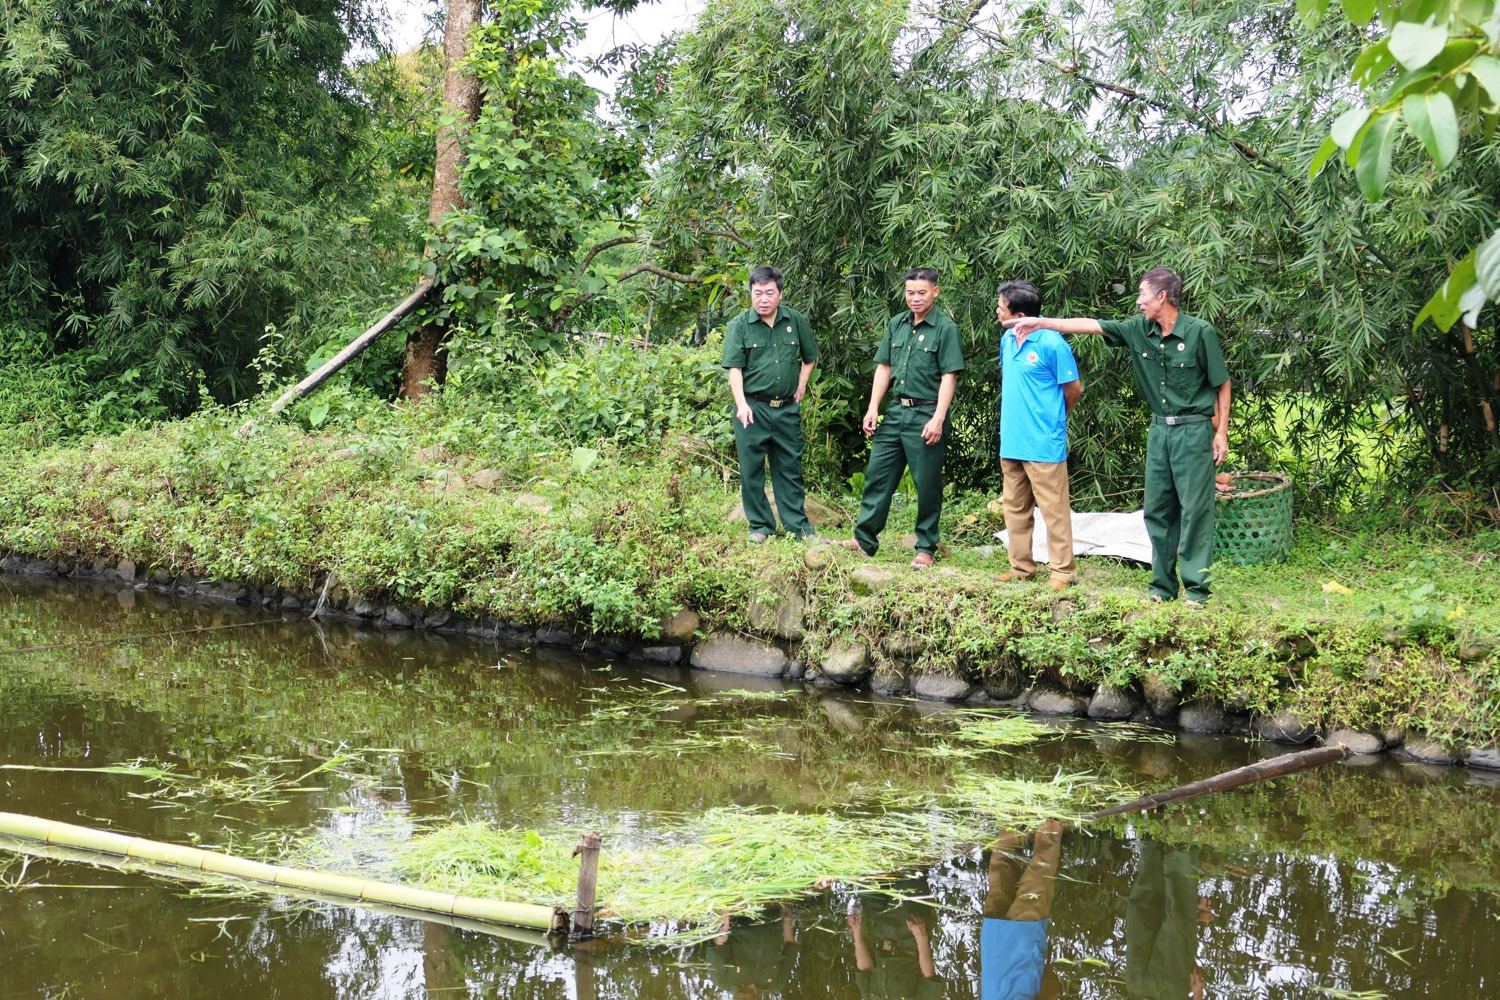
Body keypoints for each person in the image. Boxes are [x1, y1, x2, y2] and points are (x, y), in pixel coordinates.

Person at [1002, 268, 1231, 604]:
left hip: (1194, 429)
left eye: (1143, 294)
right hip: (1160, 430)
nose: (1138, 301)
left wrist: (1221, 431)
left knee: (1195, 511)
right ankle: (1162, 587)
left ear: (1162, 296)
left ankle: (1196, 589)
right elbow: (1091, 325)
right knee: (1158, 510)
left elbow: (1221, 383)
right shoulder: (1138, 329)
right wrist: (1042, 323)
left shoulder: (1199, 332)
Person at [839, 267, 965, 569]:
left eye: (922, 292)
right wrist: (873, 407)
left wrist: (938, 418)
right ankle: (864, 539)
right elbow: (884, 367)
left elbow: (949, 376)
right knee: (877, 475)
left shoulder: (945, 329)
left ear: (935, 292)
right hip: (895, 411)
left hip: (926, 413)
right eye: (910, 293)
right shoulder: (897, 323)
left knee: (927, 484)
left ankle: (926, 548)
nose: (915, 298)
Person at [994, 281, 1084, 592]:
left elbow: (1074, 390)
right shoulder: (1008, 339)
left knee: (1053, 510)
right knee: (1014, 508)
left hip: (1043, 442)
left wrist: (1054, 419)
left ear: (1019, 315)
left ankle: (1062, 572)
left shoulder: (1052, 344)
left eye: (1001, 308)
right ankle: (1021, 568)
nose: (997, 312)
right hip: (1012, 439)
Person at [722, 265, 820, 543]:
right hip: (752, 408)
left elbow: (810, 357)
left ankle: (798, 528)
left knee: (790, 468)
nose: (763, 299)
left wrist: (801, 384)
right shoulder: (740, 325)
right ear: (750, 293)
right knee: (752, 469)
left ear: (780, 294)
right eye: (757, 293)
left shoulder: (794, 320)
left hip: (786, 408)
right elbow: (734, 369)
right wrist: (741, 404)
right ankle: (761, 527)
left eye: (769, 293)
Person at [980, 819, 1065, 1000]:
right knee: (1001, 868)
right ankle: (1010, 818)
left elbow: (1051, 986)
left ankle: (1051, 821)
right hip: (993, 937)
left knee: (1040, 873)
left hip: (1024, 937)